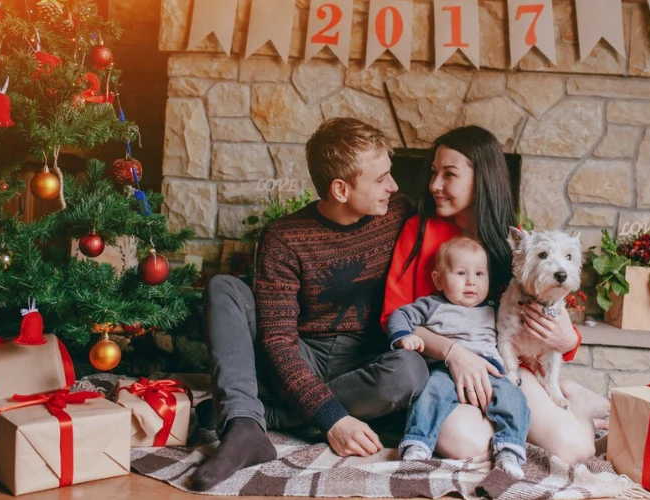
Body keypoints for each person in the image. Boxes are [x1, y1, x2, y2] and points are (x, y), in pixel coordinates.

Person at [191, 118, 430, 491]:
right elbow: (278, 343)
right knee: (224, 288)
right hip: (302, 352)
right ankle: (243, 423)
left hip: (366, 360)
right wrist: (334, 420)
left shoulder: (400, 213)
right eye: (380, 178)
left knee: (411, 371)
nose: (393, 186)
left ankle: (260, 418)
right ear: (340, 189)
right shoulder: (284, 237)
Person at [381, 125, 610, 465]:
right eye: (434, 173)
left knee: (576, 448)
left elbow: (547, 305)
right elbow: (393, 317)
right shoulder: (419, 232)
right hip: (442, 370)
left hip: (503, 366)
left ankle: (571, 397)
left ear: (482, 178)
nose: (435, 185)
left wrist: (568, 340)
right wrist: (453, 353)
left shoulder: (514, 242)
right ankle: (514, 422)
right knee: (464, 443)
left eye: (449, 174)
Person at [388, 236, 530, 479]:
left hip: (491, 370)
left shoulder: (495, 308)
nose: (471, 282)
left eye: (479, 274)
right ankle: (418, 442)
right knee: (432, 392)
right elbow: (399, 315)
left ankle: (509, 449)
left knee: (514, 397)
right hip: (445, 370)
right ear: (438, 280)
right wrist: (403, 336)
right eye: (461, 273)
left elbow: (518, 329)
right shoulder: (432, 304)